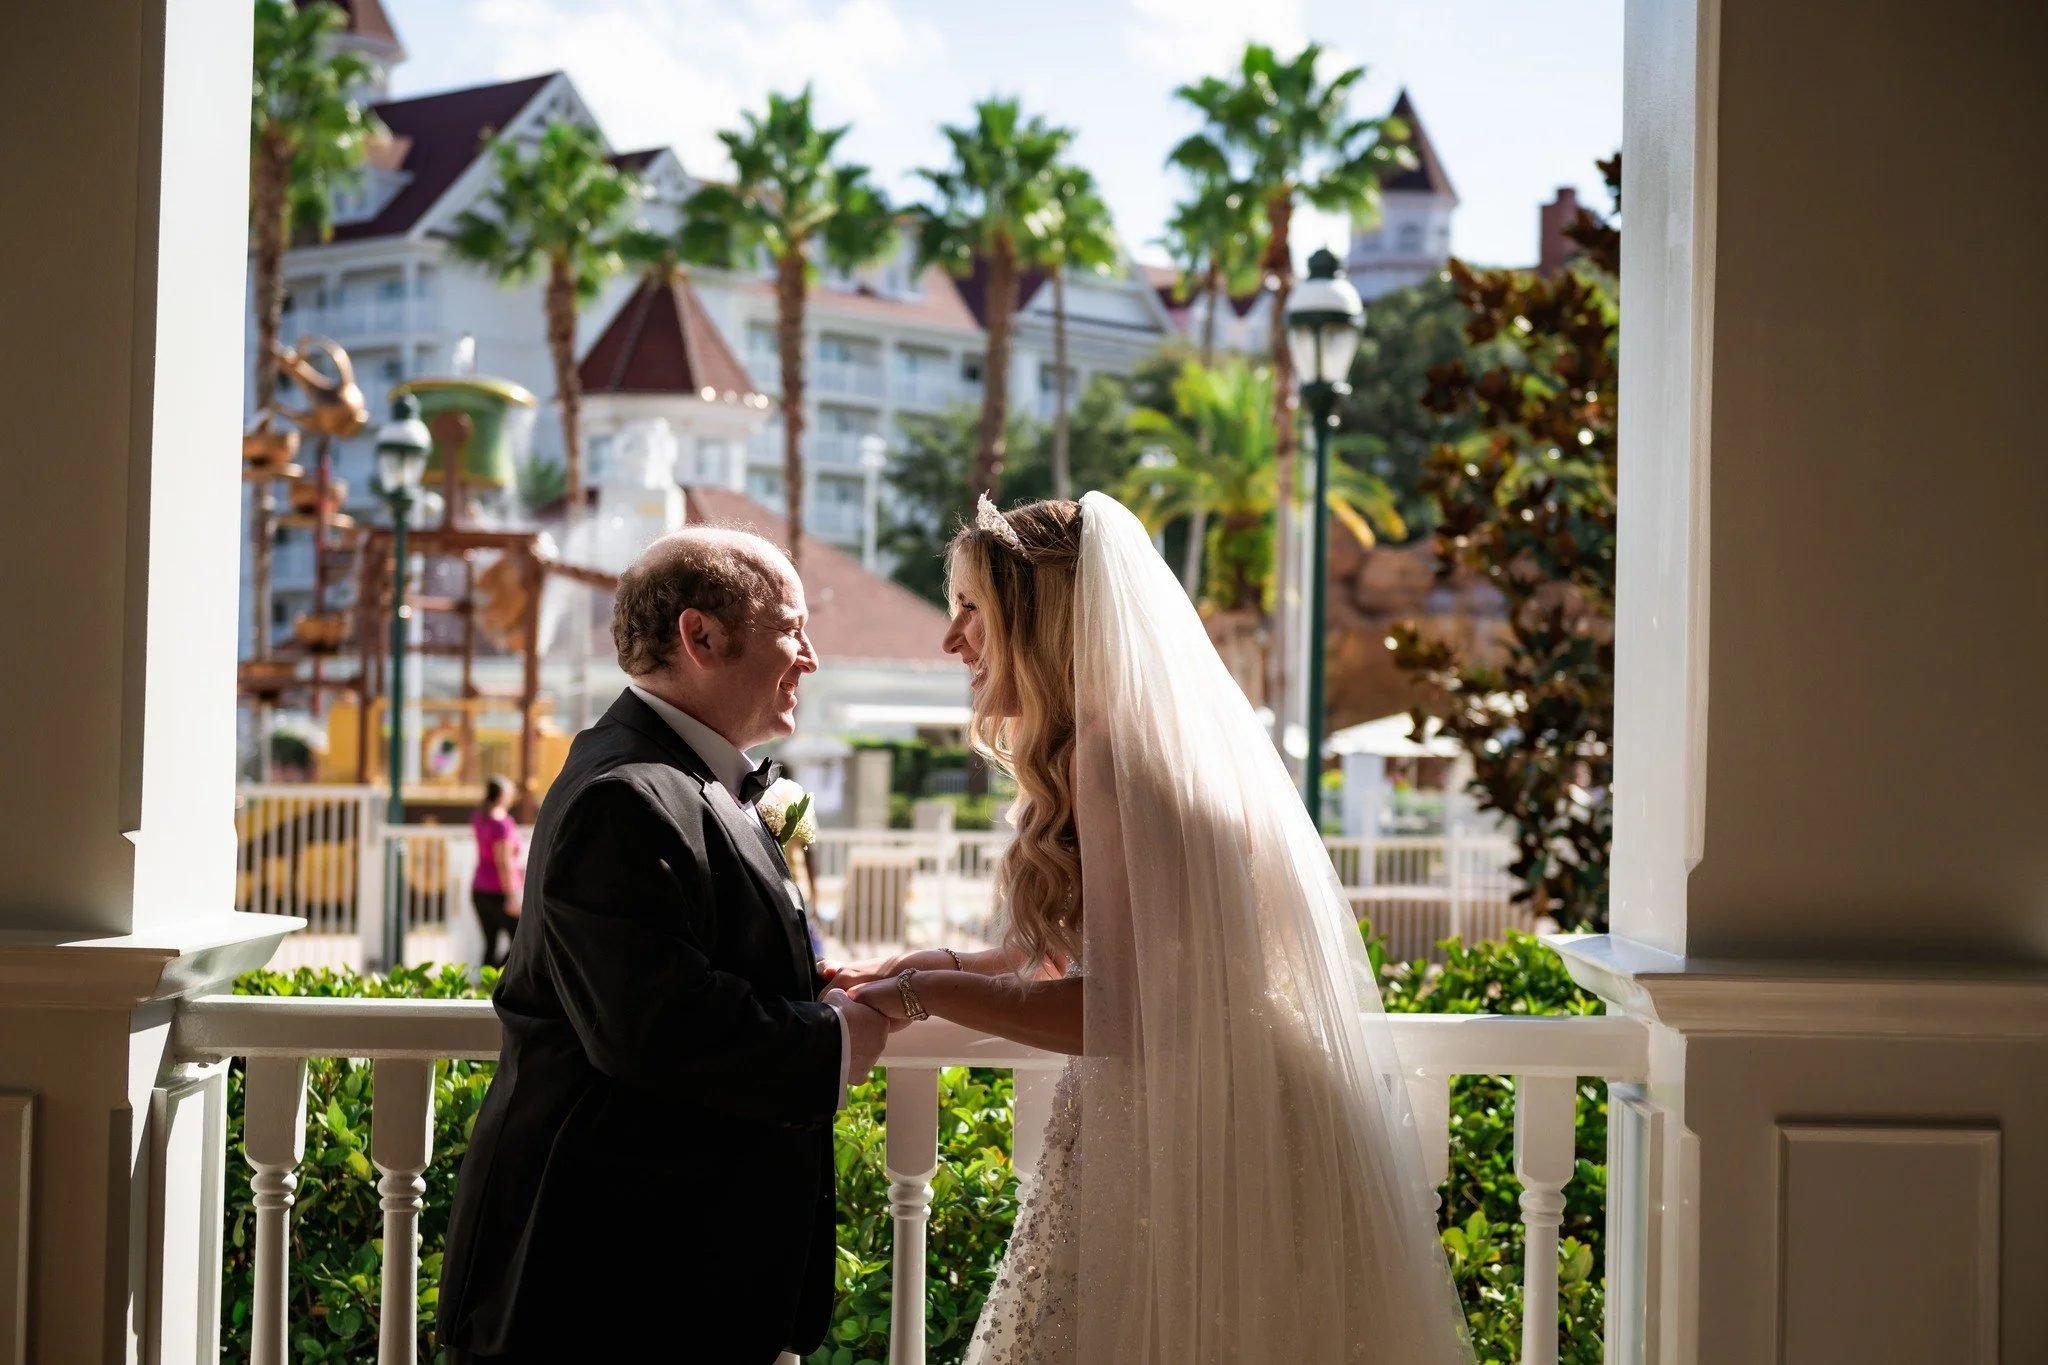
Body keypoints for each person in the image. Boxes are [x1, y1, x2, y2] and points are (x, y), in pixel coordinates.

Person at [830, 494, 1472, 1364]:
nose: (953, 641)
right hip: (1222, 1105)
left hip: (1202, 1143)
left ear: (1037, 616)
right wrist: (910, 967)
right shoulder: (1116, 745)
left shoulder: (1110, 754)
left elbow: (1120, 1012)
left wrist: (923, 993)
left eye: (972, 610)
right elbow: (1056, 957)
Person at [439, 527, 899, 1363]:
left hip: (665, 1274)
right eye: (793, 628)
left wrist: (802, 981)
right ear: (702, 636)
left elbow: (685, 955)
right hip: (607, 1284)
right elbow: (652, 1024)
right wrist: (832, 1041)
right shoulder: (621, 795)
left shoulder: (670, 775)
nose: (812, 658)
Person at [469, 775, 522, 970]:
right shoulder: (502, 823)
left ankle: (486, 989)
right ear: (502, 795)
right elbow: (504, 862)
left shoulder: (480, 817)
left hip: (479, 889)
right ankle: (501, 980)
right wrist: (511, 897)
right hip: (498, 891)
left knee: (490, 942)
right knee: (519, 940)